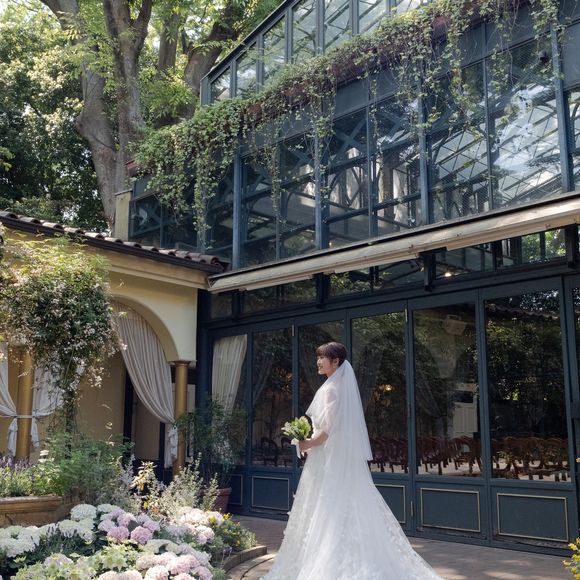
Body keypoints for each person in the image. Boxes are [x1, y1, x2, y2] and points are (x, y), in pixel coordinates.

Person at [262, 341, 443, 580]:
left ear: (335, 361)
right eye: (318, 357)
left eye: (322, 358)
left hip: (328, 459)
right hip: (331, 458)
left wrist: (307, 443)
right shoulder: (336, 387)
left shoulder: (331, 390)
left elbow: (327, 431)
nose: (318, 362)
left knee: (328, 508)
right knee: (339, 507)